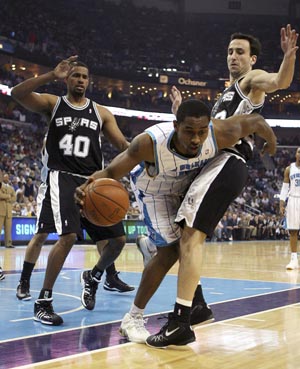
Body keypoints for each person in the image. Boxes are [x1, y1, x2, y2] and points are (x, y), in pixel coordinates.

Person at [75, 99, 276, 347]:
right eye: (189, 132)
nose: (195, 139)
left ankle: (190, 299)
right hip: (154, 190)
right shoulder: (148, 144)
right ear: (175, 126)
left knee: (187, 242)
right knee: (170, 251)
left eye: (201, 132)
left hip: (182, 185)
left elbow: (255, 121)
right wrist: (87, 186)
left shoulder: (220, 133)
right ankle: (133, 319)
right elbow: (111, 173)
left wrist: (272, 140)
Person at [134, 23, 298, 325]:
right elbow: (203, 132)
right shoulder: (225, 93)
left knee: (191, 235)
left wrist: (288, 57)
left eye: (240, 52)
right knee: (182, 232)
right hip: (210, 162)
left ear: (252, 60)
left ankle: (181, 319)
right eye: (230, 52)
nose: (233, 56)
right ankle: (196, 305)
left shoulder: (251, 80)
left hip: (229, 160)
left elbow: (279, 81)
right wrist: (179, 110)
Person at [11, 56, 133, 325]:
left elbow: (125, 146)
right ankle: (43, 301)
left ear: (89, 82)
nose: (80, 80)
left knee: (118, 242)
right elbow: (17, 93)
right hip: (62, 177)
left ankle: (94, 275)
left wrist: (152, 149)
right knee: (67, 237)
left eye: (84, 77)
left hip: (93, 181)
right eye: (75, 76)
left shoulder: (101, 112)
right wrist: (50, 76)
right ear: (67, 79)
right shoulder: (53, 104)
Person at [279, 147, 300, 270]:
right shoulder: (289, 169)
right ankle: (293, 260)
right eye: (298, 151)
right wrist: (281, 204)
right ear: (296, 154)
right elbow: (285, 188)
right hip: (293, 199)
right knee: (293, 230)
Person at [0, 174, 17, 248]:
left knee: (8, 229)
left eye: (7, 177)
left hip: (8, 211)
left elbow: (14, 198)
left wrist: (6, 197)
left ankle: (8, 243)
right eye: (5, 177)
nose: (6, 178)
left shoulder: (11, 188)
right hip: (1, 210)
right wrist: (8, 196)